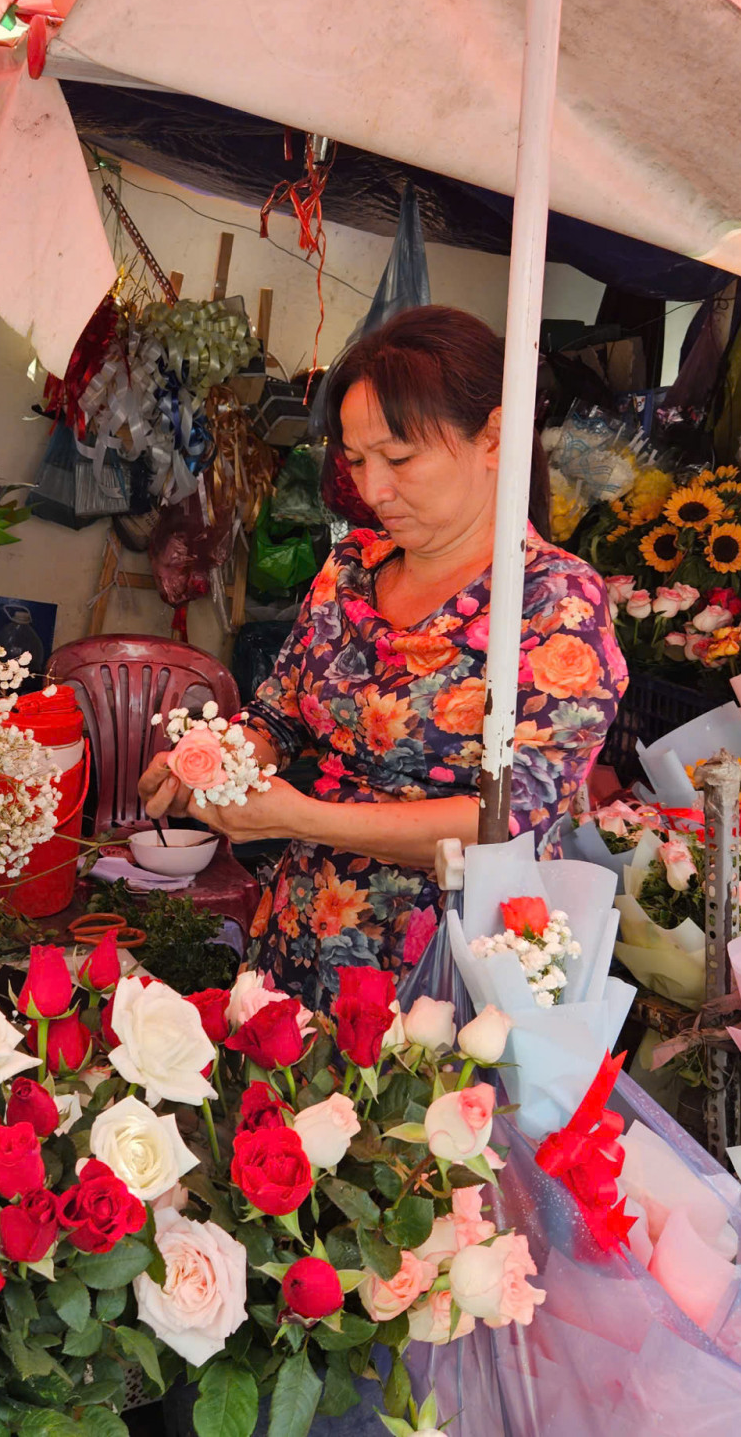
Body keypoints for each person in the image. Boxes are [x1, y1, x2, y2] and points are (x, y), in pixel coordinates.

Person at [138, 306, 626, 1007]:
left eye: (399, 459)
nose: (372, 491)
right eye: (357, 459)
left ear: (494, 437)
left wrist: (297, 816)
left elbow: (507, 819)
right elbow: (280, 717)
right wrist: (212, 760)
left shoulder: (555, 603)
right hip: (301, 937)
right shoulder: (349, 572)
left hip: (444, 967)